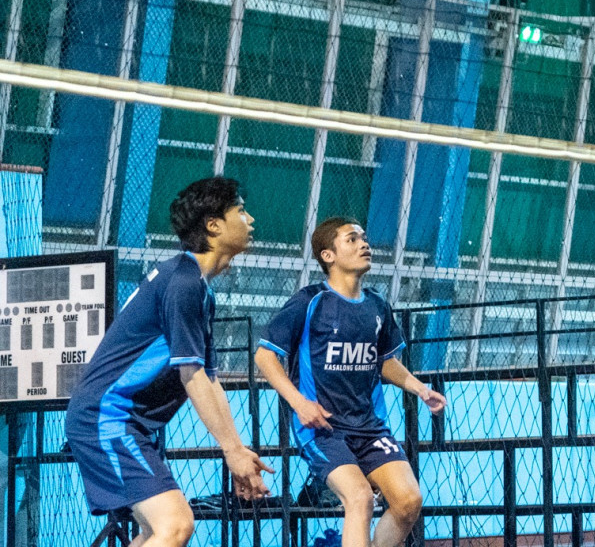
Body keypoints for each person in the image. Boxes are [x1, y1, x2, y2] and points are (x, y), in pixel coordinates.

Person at [63, 177, 272, 546]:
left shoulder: (196, 286)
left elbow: (208, 379)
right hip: (107, 417)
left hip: (120, 421)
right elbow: (192, 376)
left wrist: (237, 449)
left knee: (155, 531)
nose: (250, 219)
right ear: (213, 225)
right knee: (175, 525)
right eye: (241, 211)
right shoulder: (183, 282)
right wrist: (231, 450)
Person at [255, 218, 446, 547]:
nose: (364, 244)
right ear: (328, 255)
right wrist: (300, 403)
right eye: (352, 239)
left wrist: (419, 388)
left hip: (369, 427)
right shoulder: (309, 302)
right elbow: (264, 356)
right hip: (323, 428)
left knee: (408, 501)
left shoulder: (377, 305)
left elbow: (384, 361)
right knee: (360, 497)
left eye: (365, 238)